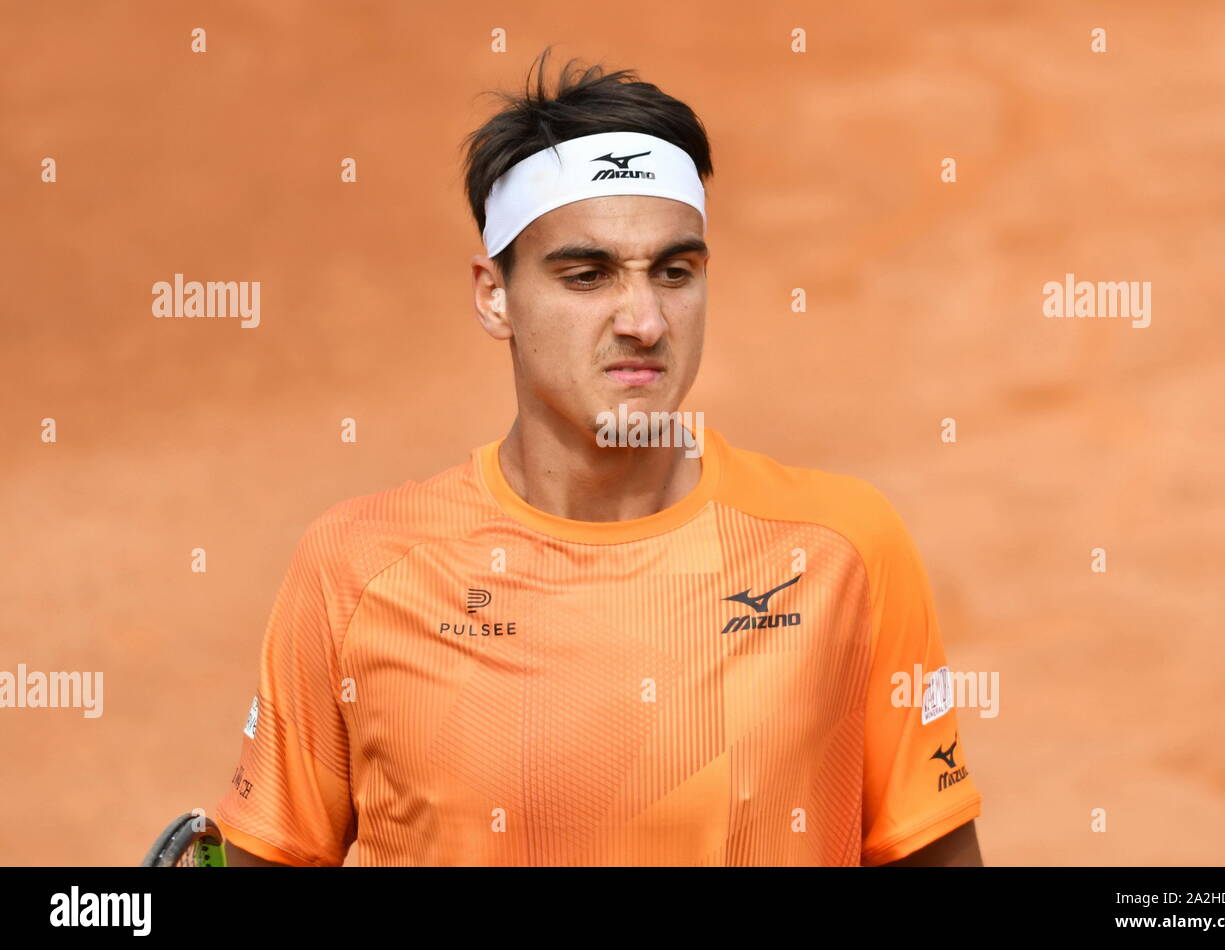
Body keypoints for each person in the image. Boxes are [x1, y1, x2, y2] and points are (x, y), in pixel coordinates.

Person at [215, 48, 983, 866]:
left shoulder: (842, 551)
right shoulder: (357, 571)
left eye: (675, 271)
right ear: (493, 296)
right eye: (587, 276)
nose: (644, 320)